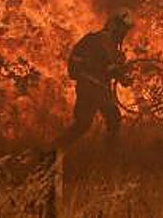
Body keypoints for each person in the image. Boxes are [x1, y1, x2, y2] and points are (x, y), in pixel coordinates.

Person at [55, 9, 134, 150]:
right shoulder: (100, 40)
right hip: (91, 87)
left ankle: (53, 150)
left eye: (126, 29)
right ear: (114, 25)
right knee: (110, 119)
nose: (124, 32)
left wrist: (122, 77)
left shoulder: (109, 44)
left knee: (84, 124)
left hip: (95, 87)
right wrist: (117, 73)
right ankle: (109, 155)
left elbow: (110, 69)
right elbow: (106, 67)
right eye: (123, 28)